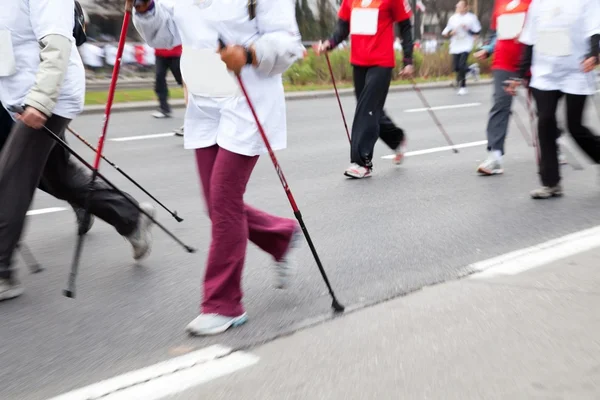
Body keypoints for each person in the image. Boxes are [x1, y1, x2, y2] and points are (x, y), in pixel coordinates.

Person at [131, 0, 305, 335]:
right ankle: (280, 236)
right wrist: (146, 8)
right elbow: (165, 35)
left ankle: (223, 304)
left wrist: (250, 53)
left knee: (224, 200)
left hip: (247, 98)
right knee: (216, 206)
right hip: (204, 102)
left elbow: (287, 43)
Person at [0, 0, 156, 301]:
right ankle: (131, 217)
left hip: (47, 97)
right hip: (14, 95)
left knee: (11, 178)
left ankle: (2, 271)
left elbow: (57, 43)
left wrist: (41, 101)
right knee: (59, 178)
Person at [506, 0, 600, 199]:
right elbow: (530, 41)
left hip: (577, 71)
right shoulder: (538, 4)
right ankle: (551, 183)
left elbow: (595, 29)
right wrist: (519, 74)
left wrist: (594, 55)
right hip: (545, 73)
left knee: (576, 128)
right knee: (545, 122)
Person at [314, 0, 415, 179]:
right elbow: (343, 27)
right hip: (359, 62)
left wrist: (408, 60)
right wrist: (329, 43)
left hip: (382, 62)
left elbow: (406, 27)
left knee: (366, 109)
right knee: (369, 110)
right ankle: (396, 138)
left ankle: (362, 162)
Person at [473, 0, 565, 175]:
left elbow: (549, 24)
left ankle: (553, 146)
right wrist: (488, 48)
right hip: (504, 59)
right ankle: (495, 156)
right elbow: (496, 33)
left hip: (533, 58)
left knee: (543, 107)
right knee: (500, 105)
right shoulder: (500, 2)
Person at [442, 1, 481, 95]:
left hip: (466, 44)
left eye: (460, 6)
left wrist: (468, 29)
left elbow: (477, 32)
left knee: (461, 65)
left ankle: (463, 87)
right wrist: (451, 33)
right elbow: (445, 32)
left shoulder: (471, 18)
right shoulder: (453, 18)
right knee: (456, 67)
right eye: (457, 6)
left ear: (465, 7)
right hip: (455, 44)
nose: (458, 8)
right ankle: (472, 70)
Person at [152, 44, 183, 118]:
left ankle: (198, 105)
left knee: (182, 80)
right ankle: (164, 108)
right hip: (160, 53)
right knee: (159, 79)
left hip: (176, 54)